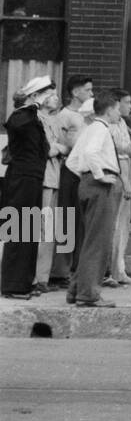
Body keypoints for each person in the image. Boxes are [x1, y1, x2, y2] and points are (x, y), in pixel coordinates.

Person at [64, 90, 126, 308]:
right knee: (98, 242)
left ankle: (76, 289)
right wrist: (100, 176)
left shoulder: (90, 129)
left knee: (89, 240)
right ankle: (89, 294)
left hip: (86, 184)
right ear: (109, 110)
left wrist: (86, 177)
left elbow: (72, 162)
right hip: (100, 187)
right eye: (118, 108)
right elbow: (90, 153)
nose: (120, 113)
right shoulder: (100, 129)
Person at [1, 76, 54, 299]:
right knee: (19, 229)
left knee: (29, 230)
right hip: (21, 179)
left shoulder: (34, 118)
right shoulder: (23, 116)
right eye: (46, 94)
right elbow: (15, 124)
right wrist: (31, 106)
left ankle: (23, 282)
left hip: (32, 179)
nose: (51, 98)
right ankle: (13, 285)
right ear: (34, 96)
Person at [50, 75, 92, 286]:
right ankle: (60, 270)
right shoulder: (64, 116)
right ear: (75, 92)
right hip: (69, 170)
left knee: (81, 222)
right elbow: (58, 144)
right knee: (66, 219)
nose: (91, 94)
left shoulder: (89, 116)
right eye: (87, 90)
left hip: (84, 172)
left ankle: (76, 266)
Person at [33, 89, 66, 295]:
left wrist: (58, 148)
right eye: (52, 95)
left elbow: (64, 147)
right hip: (42, 178)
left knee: (49, 231)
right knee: (35, 229)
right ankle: (34, 276)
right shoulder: (35, 120)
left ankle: (43, 277)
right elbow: (47, 149)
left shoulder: (54, 121)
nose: (57, 98)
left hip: (54, 178)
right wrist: (57, 148)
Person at [104, 88, 131, 286]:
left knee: (122, 228)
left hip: (127, 179)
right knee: (113, 227)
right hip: (116, 180)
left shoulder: (123, 125)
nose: (130, 106)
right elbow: (119, 155)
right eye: (127, 102)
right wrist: (126, 183)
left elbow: (129, 153)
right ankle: (109, 271)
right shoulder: (108, 127)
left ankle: (119, 269)